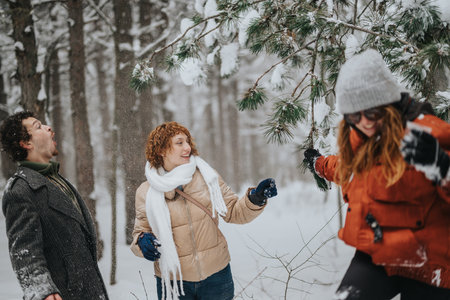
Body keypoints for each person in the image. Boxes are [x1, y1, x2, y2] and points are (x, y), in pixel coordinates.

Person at [303, 49, 450, 299]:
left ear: (387, 103)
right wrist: (319, 164)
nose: (365, 122)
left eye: (372, 112)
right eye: (354, 115)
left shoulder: (428, 134)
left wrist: (441, 166)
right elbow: (348, 172)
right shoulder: (359, 139)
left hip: (430, 260)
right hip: (377, 254)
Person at [130, 121, 277, 300]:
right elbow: (140, 233)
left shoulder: (206, 176)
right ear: (161, 150)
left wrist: (255, 198)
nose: (187, 147)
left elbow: (233, 212)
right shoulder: (146, 191)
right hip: (174, 282)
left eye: (187, 142)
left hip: (216, 277)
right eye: (179, 143)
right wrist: (143, 241)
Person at [0, 111, 109, 300]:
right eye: (38, 126)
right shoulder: (20, 191)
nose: (49, 128)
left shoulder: (56, 180)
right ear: (26, 143)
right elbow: (24, 251)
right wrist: (42, 290)